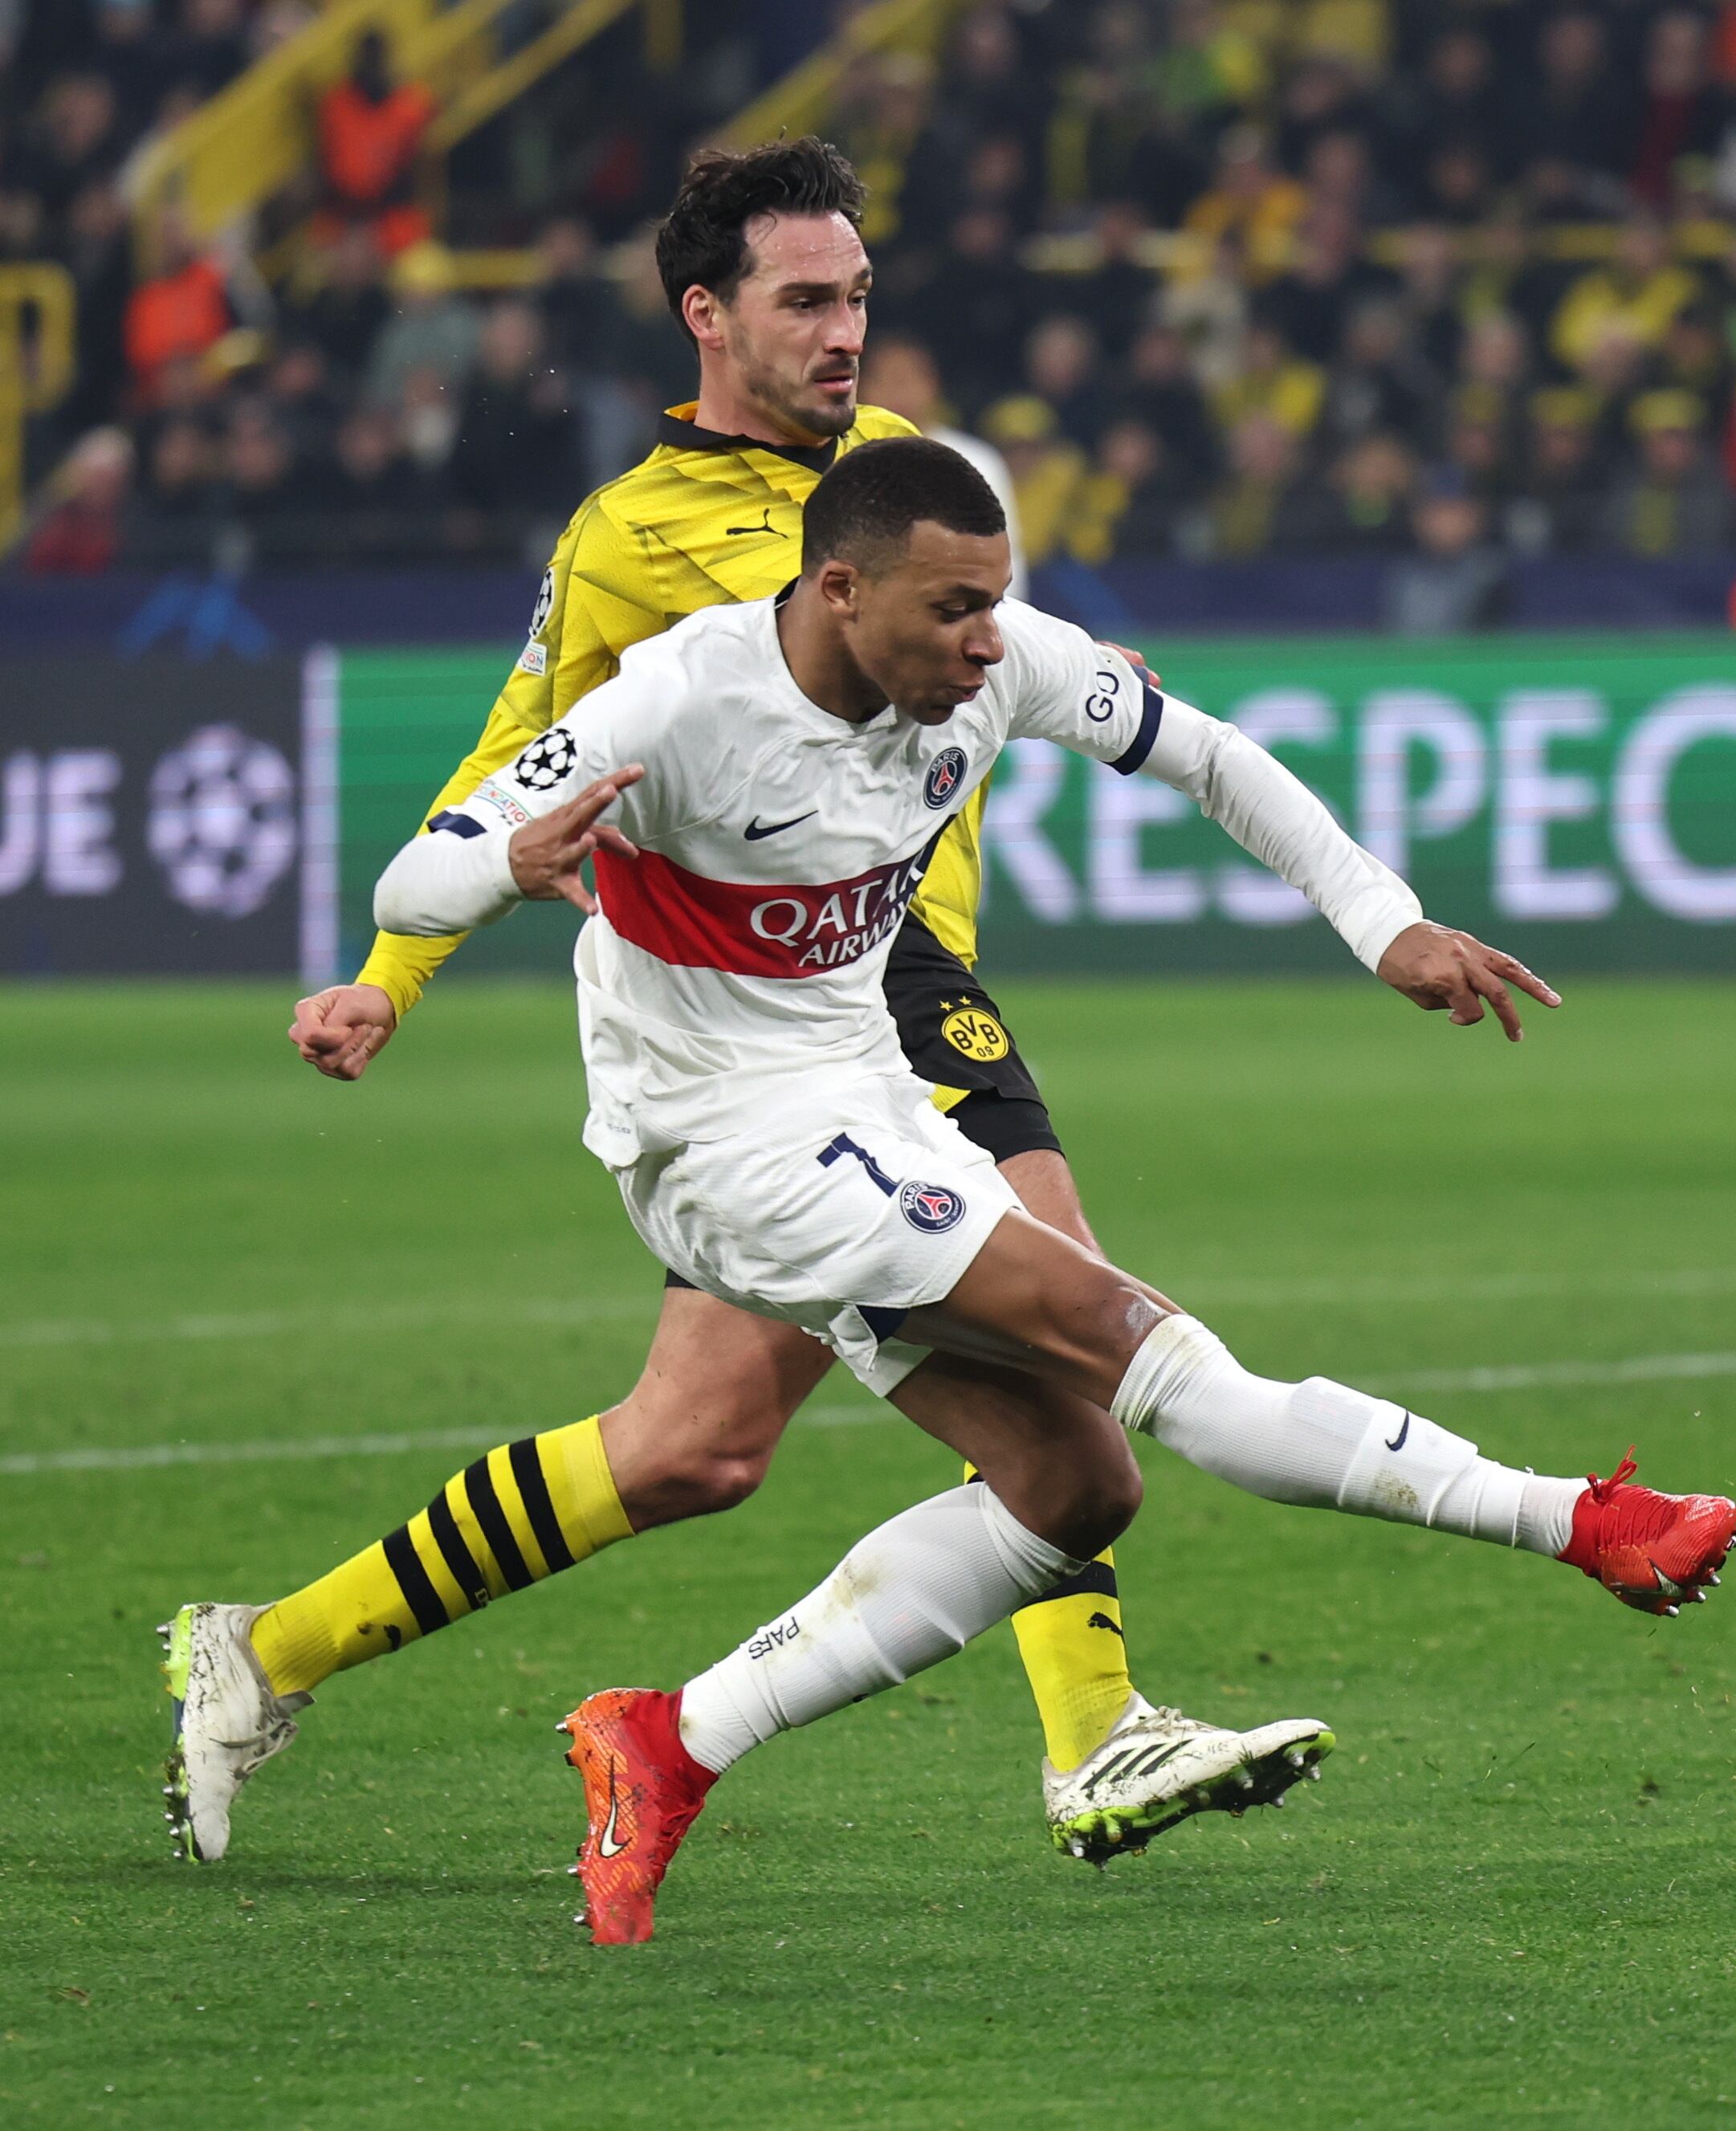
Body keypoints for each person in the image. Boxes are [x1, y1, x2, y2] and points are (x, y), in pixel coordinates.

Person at [372, 438, 1736, 1944]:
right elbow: (410, 879)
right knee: (1132, 1333)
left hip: (863, 1101)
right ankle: (1584, 1522)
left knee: (1078, 1484)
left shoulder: (998, 659)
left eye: (998, 605)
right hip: (719, 1143)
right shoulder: (679, 703)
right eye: (953, 608)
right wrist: (508, 857)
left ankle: (670, 1740)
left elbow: (1210, 753)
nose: (986, 643)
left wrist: (1382, 921)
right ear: (840, 590)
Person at [164, 141, 1317, 1882]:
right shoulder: (629, 536)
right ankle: (1098, 1738)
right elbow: (516, 754)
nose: (845, 328)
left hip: (880, 977)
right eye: (806, 298)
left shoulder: (912, 484)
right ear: (707, 315)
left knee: (692, 1448)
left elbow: (1020, 655)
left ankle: (269, 1648)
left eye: (857, 293)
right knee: (1067, 1313)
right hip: (771, 1000)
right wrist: (392, 970)